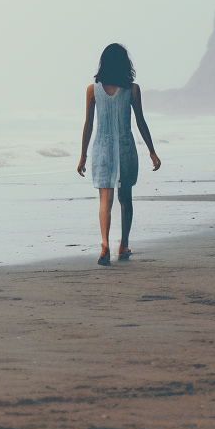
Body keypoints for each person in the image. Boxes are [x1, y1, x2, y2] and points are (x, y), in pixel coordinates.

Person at [76, 43, 161, 265]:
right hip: (125, 148)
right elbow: (141, 122)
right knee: (125, 198)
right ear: (125, 64)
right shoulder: (132, 89)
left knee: (105, 199)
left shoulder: (92, 90)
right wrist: (152, 151)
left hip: (102, 149)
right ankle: (123, 245)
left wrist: (83, 155)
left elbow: (88, 125)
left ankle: (105, 246)